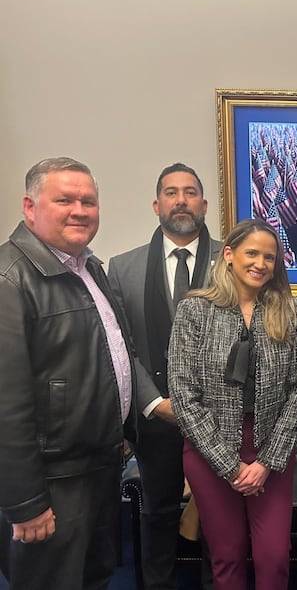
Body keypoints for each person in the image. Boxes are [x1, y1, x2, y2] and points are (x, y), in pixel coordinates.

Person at [0, 157, 170, 590]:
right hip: (52, 484)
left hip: (98, 466)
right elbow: (7, 403)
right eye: (64, 200)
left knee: (95, 578)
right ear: (30, 207)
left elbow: (115, 354)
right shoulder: (10, 280)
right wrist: (25, 502)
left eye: (88, 201)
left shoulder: (89, 268)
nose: (80, 210)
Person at [168, 219, 297, 590]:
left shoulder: (291, 312)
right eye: (252, 253)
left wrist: (265, 462)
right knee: (227, 556)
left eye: (269, 256)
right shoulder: (194, 310)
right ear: (229, 255)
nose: (261, 264)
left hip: (271, 452)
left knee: (274, 555)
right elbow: (184, 395)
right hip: (209, 451)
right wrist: (229, 466)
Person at [108, 162, 220, 589]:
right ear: (157, 204)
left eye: (190, 192)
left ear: (204, 204)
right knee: (157, 514)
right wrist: (155, 401)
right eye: (171, 193)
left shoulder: (233, 259)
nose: (181, 200)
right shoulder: (122, 268)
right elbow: (123, 348)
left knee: (219, 516)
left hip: (219, 417)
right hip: (157, 416)